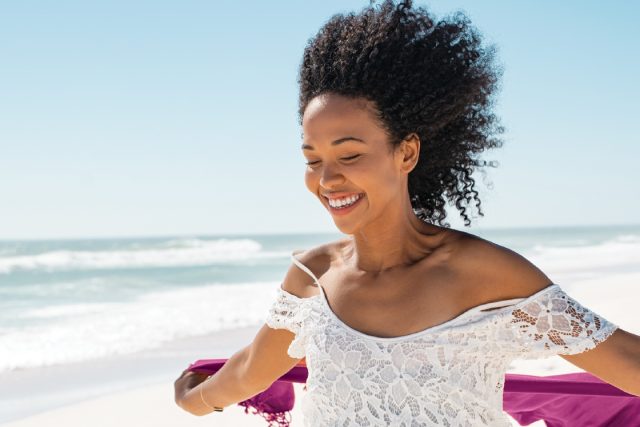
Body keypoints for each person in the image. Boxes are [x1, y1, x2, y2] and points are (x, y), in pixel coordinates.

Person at [174, 1, 639, 425]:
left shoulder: (487, 276)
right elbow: (253, 368)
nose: (327, 179)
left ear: (407, 152)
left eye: (350, 155)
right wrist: (193, 399)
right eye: (313, 160)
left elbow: (627, 363)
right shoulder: (312, 277)